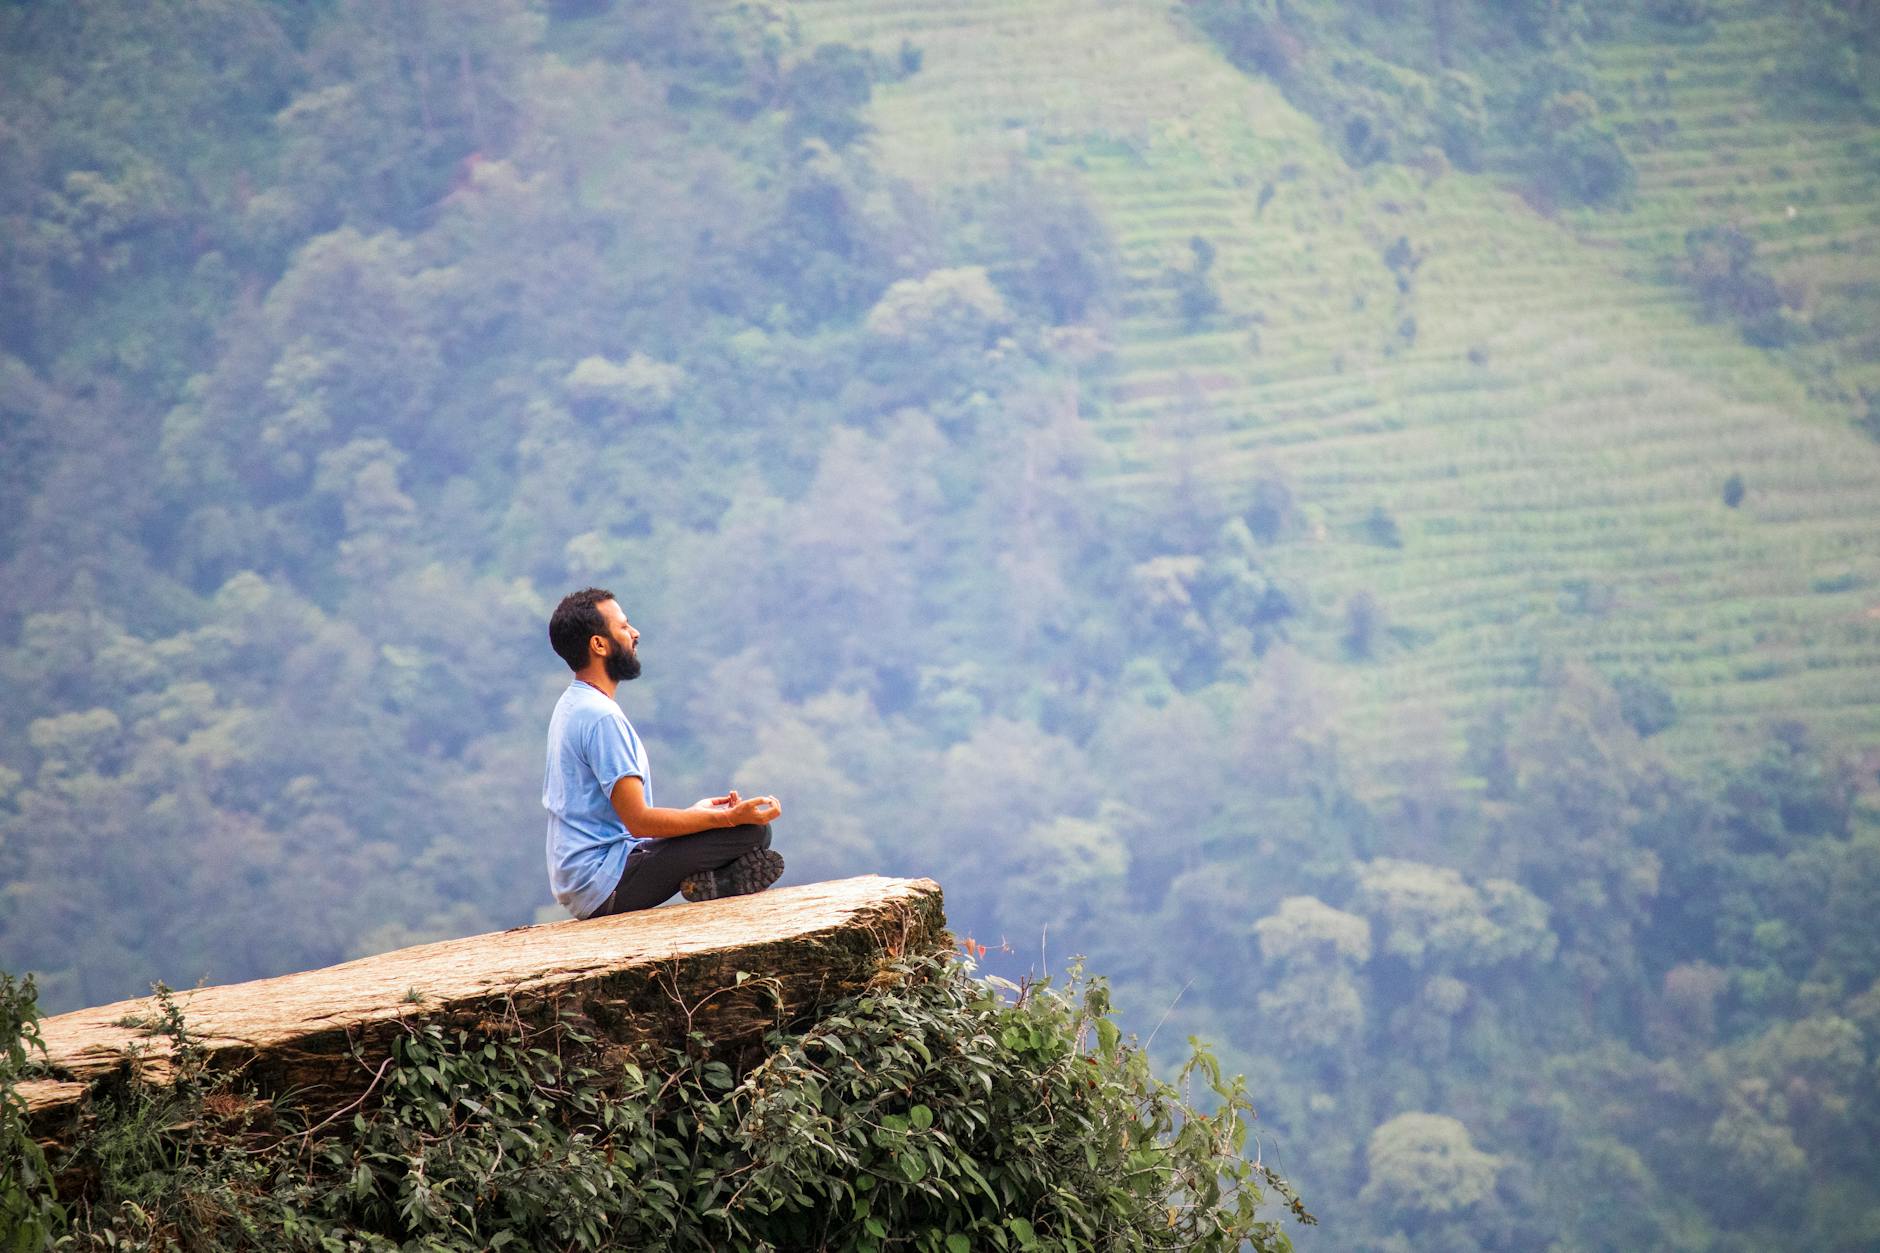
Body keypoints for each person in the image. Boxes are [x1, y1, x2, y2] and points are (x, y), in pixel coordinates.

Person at [543, 587, 784, 919]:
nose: (634, 633)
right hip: (604, 883)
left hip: (588, 877)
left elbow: (628, 823)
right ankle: (717, 881)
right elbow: (639, 821)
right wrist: (726, 818)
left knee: (730, 828)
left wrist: (695, 815)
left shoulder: (573, 705)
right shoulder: (602, 718)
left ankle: (715, 882)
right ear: (599, 644)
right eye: (624, 627)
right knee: (752, 832)